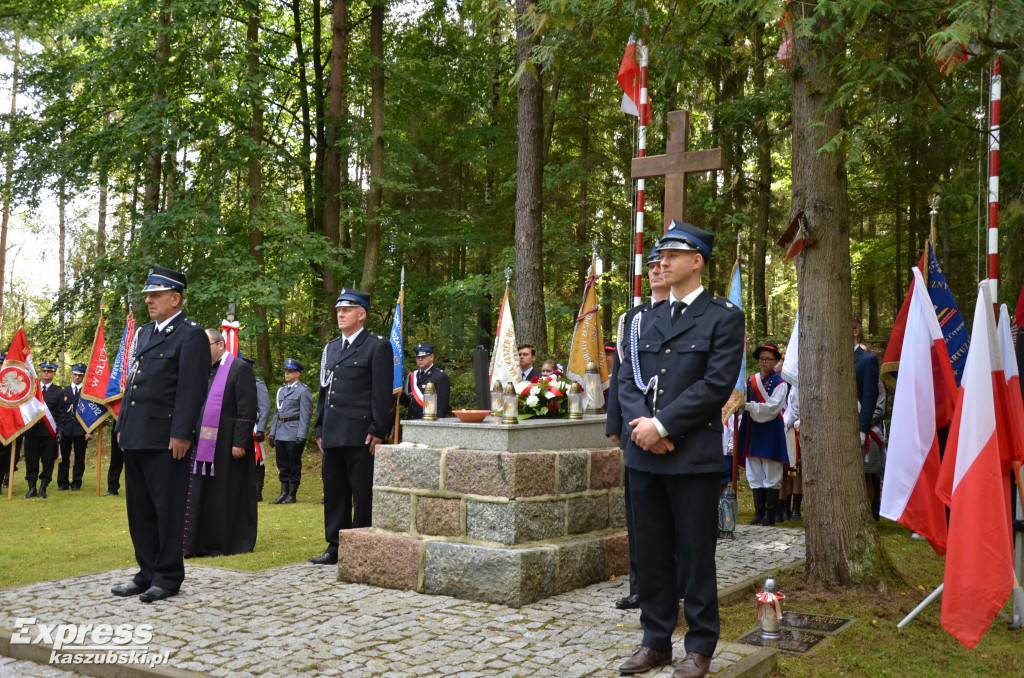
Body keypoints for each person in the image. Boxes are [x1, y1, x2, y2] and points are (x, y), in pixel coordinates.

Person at [616, 221, 744, 678]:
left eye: (672, 256)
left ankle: (700, 646)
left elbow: (716, 385)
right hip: (643, 454)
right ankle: (655, 642)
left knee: (694, 555)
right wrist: (643, 429)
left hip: (692, 457)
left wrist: (664, 425)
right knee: (649, 552)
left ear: (697, 262)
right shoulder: (639, 318)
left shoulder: (723, 316)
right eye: (658, 257)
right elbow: (626, 379)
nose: (661, 263)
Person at [111, 266, 209, 603]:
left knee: (167, 508)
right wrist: (122, 427)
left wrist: (182, 433)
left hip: (168, 438)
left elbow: (191, 389)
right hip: (137, 433)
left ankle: (167, 575)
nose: (149, 300)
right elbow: (134, 384)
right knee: (139, 509)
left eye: (156, 295)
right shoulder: (145, 333)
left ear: (175, 298)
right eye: (148, 295)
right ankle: (146, 572)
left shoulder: (190, 335)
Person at [309, 288, 393, 565]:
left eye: (346, 310)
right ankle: (335, 546)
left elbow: (381, 393)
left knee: (363, 492)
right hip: (333, 432)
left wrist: (379, 428)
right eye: (338, 310)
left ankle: (360, 544)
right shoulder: (331, 347)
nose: (340, 314)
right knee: (334, 492)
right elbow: (325, 391)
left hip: (361, 434)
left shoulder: (376, 346)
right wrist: (319, 428)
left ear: (362, 314)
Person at [606, 242, 668, 612]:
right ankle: (639, 585)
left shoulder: (683, 314)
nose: (658, 272)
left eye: (663, 266)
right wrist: (616, 423)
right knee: (637, 514)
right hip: (633, 426)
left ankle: (670, 583)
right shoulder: (633, 318)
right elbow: (622, 374)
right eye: (653, 267)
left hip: (667, 428)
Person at [181, 329, 259, 557]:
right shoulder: (203, 370)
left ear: (221, 345)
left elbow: (247, 409)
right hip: (201, 446)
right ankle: (199, 541)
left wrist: (240, 442)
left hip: (228, 447)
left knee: (224, 495)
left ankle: (224, 541)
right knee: (201, 495)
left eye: (206, 346)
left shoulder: (239, 369)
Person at [737, 343, 790, 527]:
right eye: (761, 359)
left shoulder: (780, 384)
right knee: (754, 470)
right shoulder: (750, 381)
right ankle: (758, 513)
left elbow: (772, 409)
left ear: (776, 361)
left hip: (770, 431)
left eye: (768, 359)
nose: (764, 362)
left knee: (771, 470)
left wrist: (748, 406)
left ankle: (770, 514)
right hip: (752, 429)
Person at [268, 358, 313, 504]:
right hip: (281, 432)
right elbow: (277, 413)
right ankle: (283, 492)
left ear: (297, 374)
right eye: (286, 371)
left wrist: (302, 435)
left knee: (294, 464)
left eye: (290, 371)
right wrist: (272, 433)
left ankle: (292, 494)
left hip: (294, 432)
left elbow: (305, 415)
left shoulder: (303, 390)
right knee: (282, 464)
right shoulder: (281, 390)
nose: (287, 374)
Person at [23, 360, 62, 499]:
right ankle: (31, 488)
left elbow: (61, 414)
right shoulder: (31, 389)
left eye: (49, 371)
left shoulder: (58, 392)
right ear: (39, 372)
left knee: (47, 461)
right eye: (44, 371)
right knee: (31, 460)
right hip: (31, 432)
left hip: (48, 433)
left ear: (54, 374)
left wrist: (59, 432)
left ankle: (43, 488)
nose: (46, 373)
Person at [57, 363, 92, 491]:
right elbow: (60, 412)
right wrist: (59, 429)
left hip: (81, 430)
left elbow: (91, 413)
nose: (77, 377)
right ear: (71, 374)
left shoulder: (87, 392)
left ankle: (76, 483)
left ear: (83, 376)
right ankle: (62, 483)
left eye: (80, 375)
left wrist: (90, 431)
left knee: (79, 458)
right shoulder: (64, 391)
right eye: (75, 374)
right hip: (66, 429)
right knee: (63, 457)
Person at [400, 344, 451, 419]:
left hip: (428, 422)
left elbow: (441, 408)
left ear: (431, 357)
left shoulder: (440, 376)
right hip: (412, 421)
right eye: (418, 357)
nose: (420, 359)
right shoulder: (412, 376)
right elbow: (408, 402)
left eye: (423, 357)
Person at [245, 357, 271, 502]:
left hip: (254, 427)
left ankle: (256, 492)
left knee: (257, 460)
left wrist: (260, 429)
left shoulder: (257, 384)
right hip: (239, 427)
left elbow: (265, 407)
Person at [103, 425, 123, 496]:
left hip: (133, 430)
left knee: (134, 463)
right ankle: (112, 488)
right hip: (117, 430)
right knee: (115, 461)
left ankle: (136, 489)